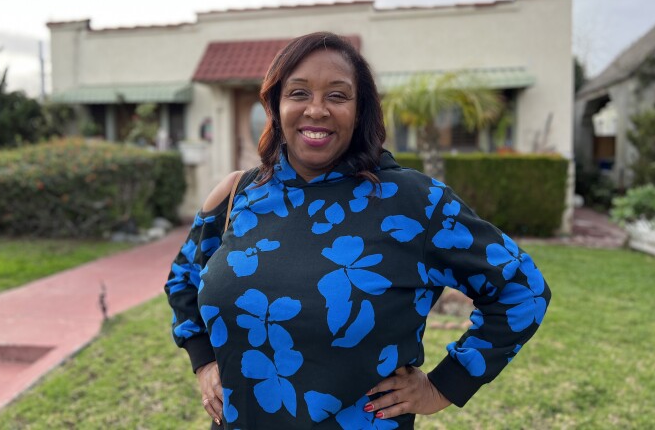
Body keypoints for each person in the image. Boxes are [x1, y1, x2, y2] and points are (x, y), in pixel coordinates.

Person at [165, 32, 551, 429]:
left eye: (337, 95)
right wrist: (204, 361)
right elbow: (183, 280)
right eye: (299, 93)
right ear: (276, 104)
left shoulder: (414, 203)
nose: (316, 110)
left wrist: (444, 386)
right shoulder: (238, 193)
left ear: (361, 108)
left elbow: (523, 289)